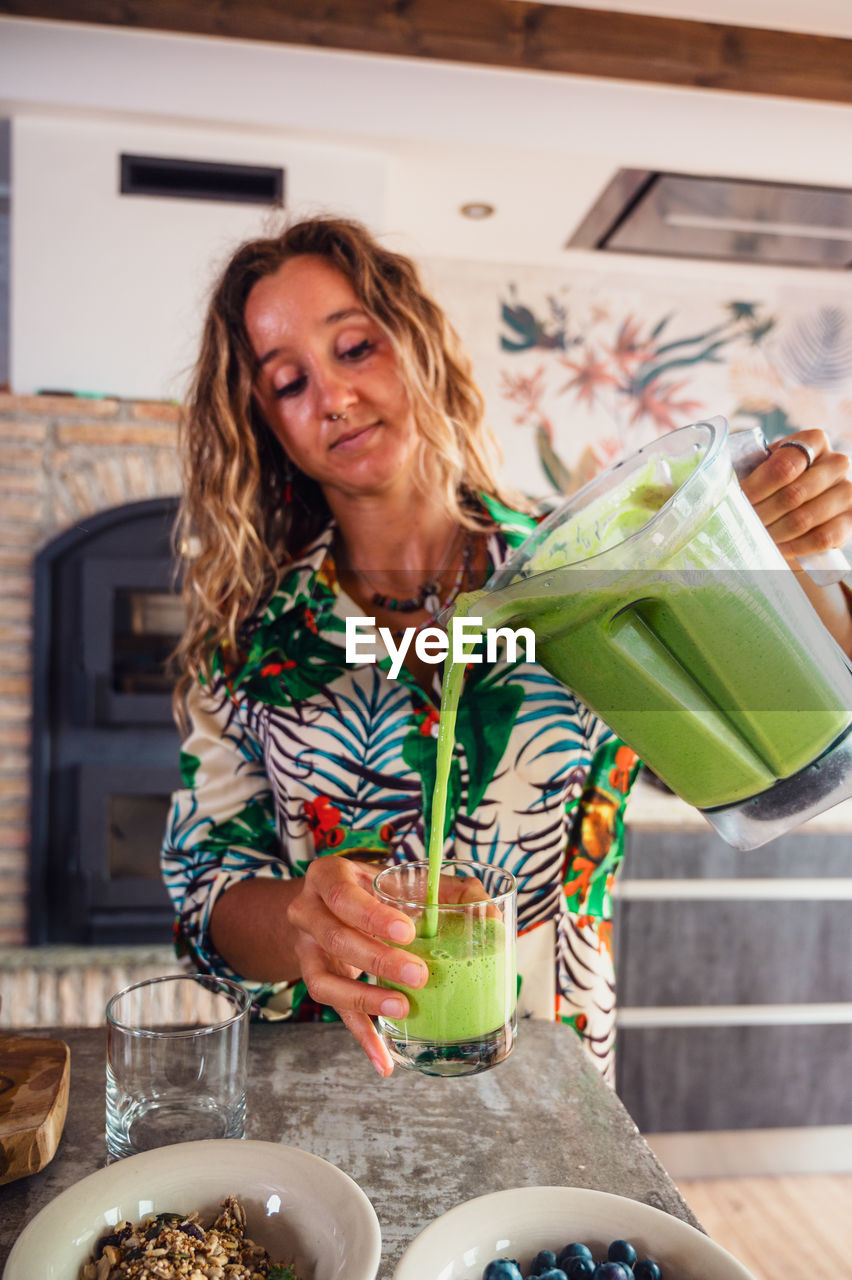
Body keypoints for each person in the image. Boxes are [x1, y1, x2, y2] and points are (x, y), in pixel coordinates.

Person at [162, 215, 852, 1084]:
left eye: (356, 348)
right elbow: (203, 902)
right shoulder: (252, 641)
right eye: (290, 381)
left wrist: (786, 584)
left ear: (415, 346)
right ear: (264, 423)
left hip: (553, 1082)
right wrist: (305, 918)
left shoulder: (588, 575)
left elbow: (771, 766)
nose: (332, 396)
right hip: (334, 1088)